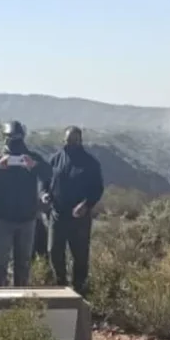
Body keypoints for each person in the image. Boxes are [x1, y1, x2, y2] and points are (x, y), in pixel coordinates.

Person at [0, 120, 51, 286]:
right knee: (0, 262)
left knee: (24, 263)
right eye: (11, 137)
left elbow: (49, 174)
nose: (14, 142)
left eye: (17, 138)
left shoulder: (32, 158)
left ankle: (21, 300)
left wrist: (34, 166)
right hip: (4, 218)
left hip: (27, 219)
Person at [44, 126, 104, 295]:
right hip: (57, 215)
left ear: (80, 141)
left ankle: (79, 289)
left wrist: (86, 204)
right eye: (68, 140)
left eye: (74, 141)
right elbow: (45, 181)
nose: (70, 144)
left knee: (80, 256)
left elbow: (97, 189)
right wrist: (44, 194)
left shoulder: (90, 163)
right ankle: (60, 284)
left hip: (79, 218)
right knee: (54, 251)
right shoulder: (55, 159)